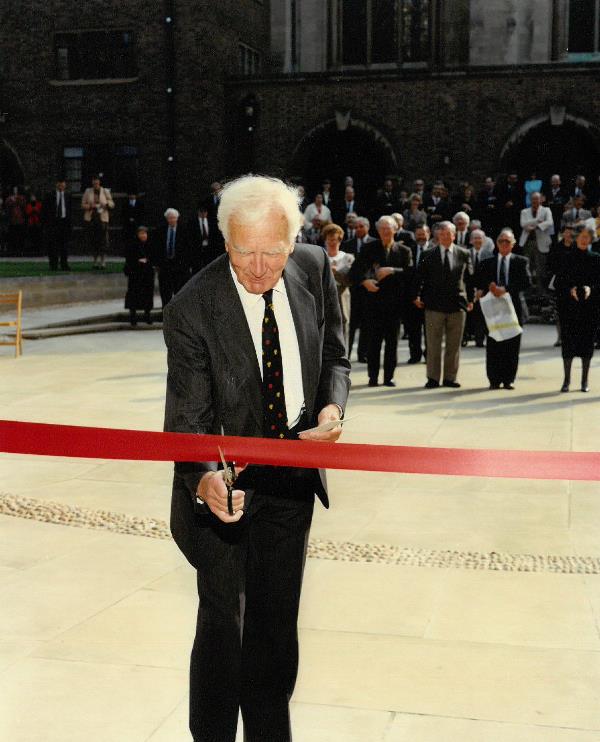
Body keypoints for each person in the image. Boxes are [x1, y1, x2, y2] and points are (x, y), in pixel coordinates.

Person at [162, 174, 350, 742]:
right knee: (224, 624)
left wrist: (330, 410)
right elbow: (187, 421)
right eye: (245, 252)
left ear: (295, 242)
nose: (260, 267)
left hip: (292, 476)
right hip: (224, 486)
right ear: (225, 242)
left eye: (273, 251)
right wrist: (204, 482)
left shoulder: (315, 269)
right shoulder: (192, 308)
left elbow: (336, 358)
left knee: (274, 628)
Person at [351, 215, 413, 386]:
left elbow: (410, 274)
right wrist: (365, 282)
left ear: (395, 229)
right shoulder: (369, 248)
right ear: (378, 231)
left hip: (394, 305)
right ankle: (372, 377)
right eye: (382, 229)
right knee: (373, 343)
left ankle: (389, 377)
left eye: (388, 228)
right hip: (373, 303)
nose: (385, 232)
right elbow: (355, 271)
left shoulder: (404, 251)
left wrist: (392, 270)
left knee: (392, 344)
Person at [413, 221, 473, 388]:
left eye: (449, 234)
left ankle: (450, 378)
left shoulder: (464, 253)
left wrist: (471, 299)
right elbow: (419, 278)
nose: (446, 236)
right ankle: (432, 378)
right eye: (442, 234)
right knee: (433, 344)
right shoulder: (427, 254)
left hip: (457, 305)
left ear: (454, 235)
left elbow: (470, 278)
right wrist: (416, 295)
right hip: (434, 306)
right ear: (438, 236)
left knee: (454, 345)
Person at [476, 229, 531, 389]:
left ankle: (508, 379)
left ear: (513, 244)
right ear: (497, 244)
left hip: (513, 308)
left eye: (508, 241)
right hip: (493, 310)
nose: (504, 244)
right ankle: (494, 379)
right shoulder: (488, 262)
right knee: (494, 344)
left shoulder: (521, 261)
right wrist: (486, 288)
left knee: (512, 345)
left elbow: (526, 283)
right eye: (501, 241)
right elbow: (480, 282)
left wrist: (506, 289)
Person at [556, 225, 600, 392]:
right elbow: (559, 281)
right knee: (568, 344)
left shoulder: (596, 258)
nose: (583, 239)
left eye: (587, 236)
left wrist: (592, 288)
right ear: (575, 238)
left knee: (587, 344)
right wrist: (569, 289)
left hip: (590, 308)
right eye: (581, 236)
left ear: (591, 239)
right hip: (569, 307)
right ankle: (566, 380)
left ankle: (584, 381)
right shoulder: (566, 257)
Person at [344, 216, 375, 362]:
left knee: (367, 324)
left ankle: (363, 354)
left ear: (368, 227)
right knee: (351, 324)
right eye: (356, 227)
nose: (358, 229)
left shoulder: (375, 244)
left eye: (361, 226)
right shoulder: (348, 245)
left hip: (369, 291)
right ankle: (347, 354)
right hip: (353, 289)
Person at [323, 222, 355, 352]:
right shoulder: (320, 256)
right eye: (329, 240)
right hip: (324, 298)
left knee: (343, 325)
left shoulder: (347, 258)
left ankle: (343, 355)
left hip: (341, 297)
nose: (332, 243)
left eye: (334, 240)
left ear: (340, 240)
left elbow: (349, 280)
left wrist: (336, 272)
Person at [404, 224, 432, 363]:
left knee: (430, 330)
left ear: (429, 234)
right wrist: (413, 296)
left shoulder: (434, 251)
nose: (421, 237)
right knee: (413, 330)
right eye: (418, 234)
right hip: (411, 298)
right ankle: (415, 355)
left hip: (429, 297)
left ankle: (429, 355)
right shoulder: (409, 251)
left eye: (423, 233)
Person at [153, 208, 190, 307]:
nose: (172, 220)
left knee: (179, 291)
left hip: (179, 266)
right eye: (170, 218)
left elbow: (188, 248)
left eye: (174, 218)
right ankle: (166, 313)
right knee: (165, 292)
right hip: (165, 266)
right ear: (167, 219)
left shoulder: (184, 230)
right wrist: (157, 263)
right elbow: (157, 248)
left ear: (177, 218)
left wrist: (186, 265)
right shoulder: (161, 230)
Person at [518, 191, 553, 296]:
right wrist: (538, 220)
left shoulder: (546, 210)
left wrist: (536, 226)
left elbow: (549, 222)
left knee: (540, 268)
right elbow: (523, 224)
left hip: (541, 243)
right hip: (528, 243)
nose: (535, 201)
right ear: (530, 200)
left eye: (537, 199)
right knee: (527, 267)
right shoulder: (524, 211)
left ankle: (540, 290)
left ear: (541, 199)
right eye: (533, 199)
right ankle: (528, 290)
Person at [547, 226, 574, 347]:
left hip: (574, 283)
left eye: (570, 233)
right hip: (559, 283)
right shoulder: (556, 247)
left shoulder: (577, 247)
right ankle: (560, 338)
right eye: (566, 232)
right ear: (562, 234)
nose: (568, 235)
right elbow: (550, 264)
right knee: (559, 312)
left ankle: (572, 338)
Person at [81, 175, 114, 268]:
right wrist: (90, 206)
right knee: (93, 241)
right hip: (91, 219)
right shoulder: (88, 191)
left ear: (99, 183)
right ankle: (95, 261)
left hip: (102, 219)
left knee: (103, 240)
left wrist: (106, 204)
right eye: (94, 183)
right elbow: (83, 204)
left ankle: (103, 261)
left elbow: (112, 203)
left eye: (97, 183)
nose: (95, 184)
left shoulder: (105, 191)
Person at [124, 225, 155, 326]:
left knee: (147, 295)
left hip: (147, 274)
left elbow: (155, 258)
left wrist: (148, 261)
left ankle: (147, 315)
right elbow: (128, 259)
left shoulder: (150, 245)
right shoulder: (132, 245)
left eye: (145, 233)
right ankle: (133, 316)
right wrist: (137, 261)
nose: (143, 235)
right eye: (141, 233)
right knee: (134, 295)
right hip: (135, 274)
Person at [42, 178, 72, 271]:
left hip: (64, 222)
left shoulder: (68, 196)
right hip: (53, 223)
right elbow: (45, 210)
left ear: (65, 185)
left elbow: (70, 210)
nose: (61, 185)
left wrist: (70, 224)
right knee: (53, 245)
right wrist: (46, 223)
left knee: (64, 245)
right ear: (56, 184)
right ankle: (53, 264)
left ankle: (64, 264)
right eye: (59, 183)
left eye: (63, 183)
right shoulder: (50, 196)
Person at [5, 186, 26, 254]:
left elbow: (23, 205)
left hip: (20, 220)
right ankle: (13, 250)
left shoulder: (21, 197)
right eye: (14, 190)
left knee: (20, 235)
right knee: (13, 236)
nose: (15, 191)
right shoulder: (9, 198)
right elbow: (7, 206)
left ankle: (20, 250)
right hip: (12, 220)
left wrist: (17, 199)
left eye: (16, 190)